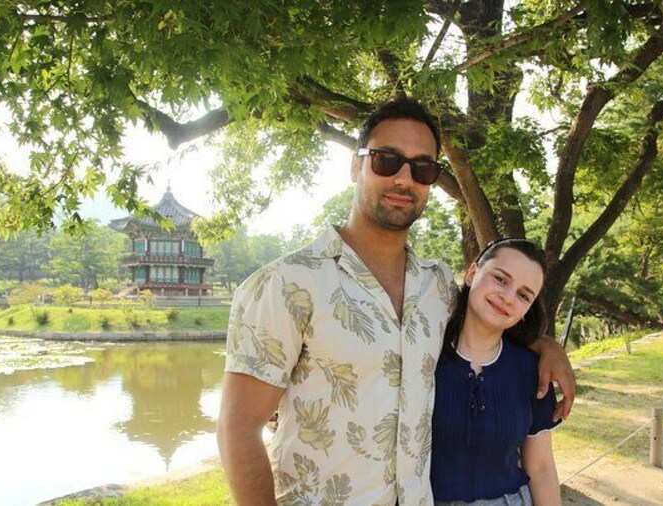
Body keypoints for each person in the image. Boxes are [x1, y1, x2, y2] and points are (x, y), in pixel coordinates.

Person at [218, 98, 574, 505]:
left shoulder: (437, 287)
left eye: (423, 168)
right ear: (356, 165)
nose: (405, 179)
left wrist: (546, 346)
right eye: (386, 160)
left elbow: (494, 317)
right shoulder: (286, 284)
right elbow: (238, 429)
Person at [432, 239, 561, 506]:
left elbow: (540, 468)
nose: (508, 297)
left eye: (524, 295)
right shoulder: (423, 357)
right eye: (501, 279)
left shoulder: (532, 370)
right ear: (471, 274)